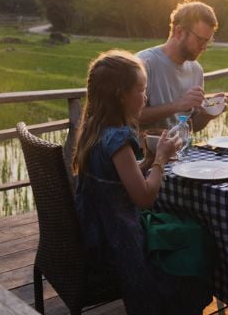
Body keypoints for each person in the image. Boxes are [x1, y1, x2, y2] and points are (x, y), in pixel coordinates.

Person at [72, 50, 214, 315]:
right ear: (121, 95)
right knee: (195, 235)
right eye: (141, 90)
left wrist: (147, 161)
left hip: (95, 227)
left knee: (182, 229)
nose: (145, 97)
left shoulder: (93, 128)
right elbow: (146, 197)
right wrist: (161, 157)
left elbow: (115, 179)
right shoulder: (119, 139)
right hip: (118, 238)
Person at [136, 0, 226, 132]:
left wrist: (207, 115)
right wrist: (177, 105)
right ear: (179, 32)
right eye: (200, 40)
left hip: (180, 150)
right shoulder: (144, 63)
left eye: (208, 41)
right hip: (146, 151)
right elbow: (128, 117)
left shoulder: (196, 70)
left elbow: (190, 127)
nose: (204, 47)